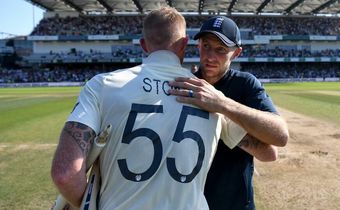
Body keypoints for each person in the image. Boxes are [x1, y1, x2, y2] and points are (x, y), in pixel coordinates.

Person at [51, 8, 247, 210]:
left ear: (143, 45)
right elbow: (267, 150)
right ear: (185, 44)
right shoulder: (211, 96)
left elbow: (65, 175)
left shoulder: (102, 85)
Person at [168, 16, 289, 210]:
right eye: (206, 45)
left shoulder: (245, 84)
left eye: (221, 50)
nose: (210, 56)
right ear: (198, 45)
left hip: (236, 203)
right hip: (190, 202)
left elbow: (280, 137)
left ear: (236, 53)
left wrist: (222, 104)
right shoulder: (185, 84)